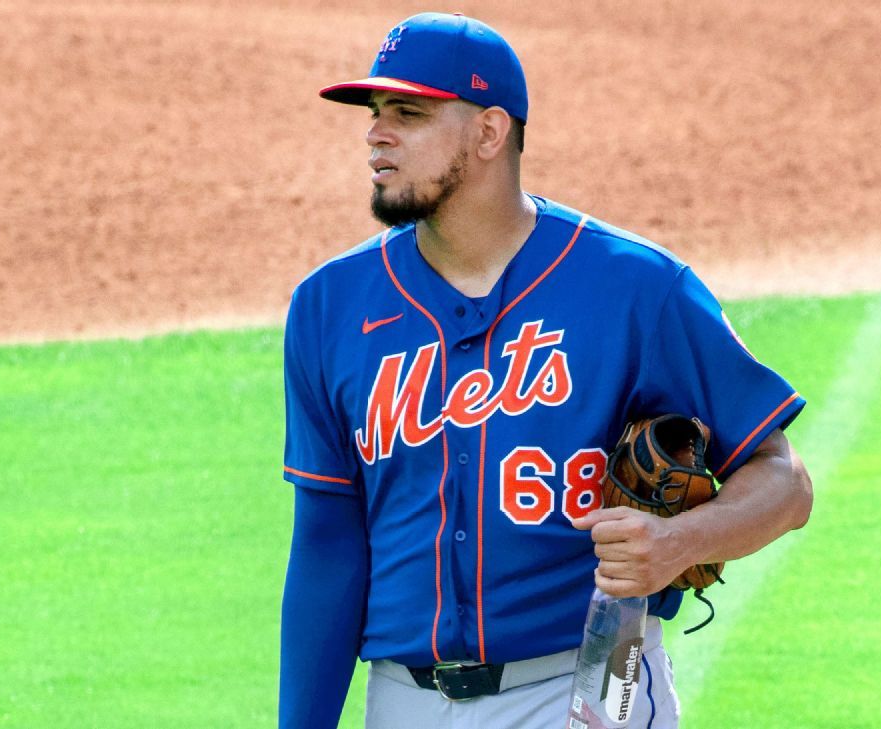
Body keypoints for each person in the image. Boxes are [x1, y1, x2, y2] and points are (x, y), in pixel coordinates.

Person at [278, 12, 813, 729]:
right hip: (405, 700)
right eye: (375, 115)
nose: (377, 133)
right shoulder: (328, 307)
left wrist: (680, 543)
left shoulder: (637, 289)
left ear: (490, 132)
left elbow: (785, 483)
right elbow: (327, 543)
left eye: (408, 112)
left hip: (599, 677)